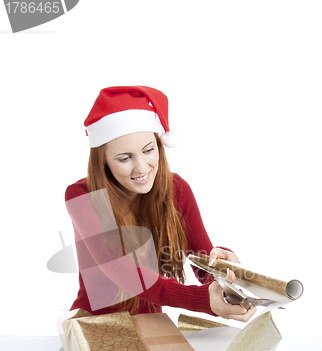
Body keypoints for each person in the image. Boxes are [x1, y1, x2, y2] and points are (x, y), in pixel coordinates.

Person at [65, 86, 256, 322]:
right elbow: (122, 272)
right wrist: (202, 299)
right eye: (125, 158)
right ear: (102, 160)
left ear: (159, 145)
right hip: (93, 324)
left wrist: (224, 275)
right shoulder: (81, 195)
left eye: (148, 150)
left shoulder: (177, 189)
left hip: (150, 323)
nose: (142, 168)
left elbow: (203, 262)